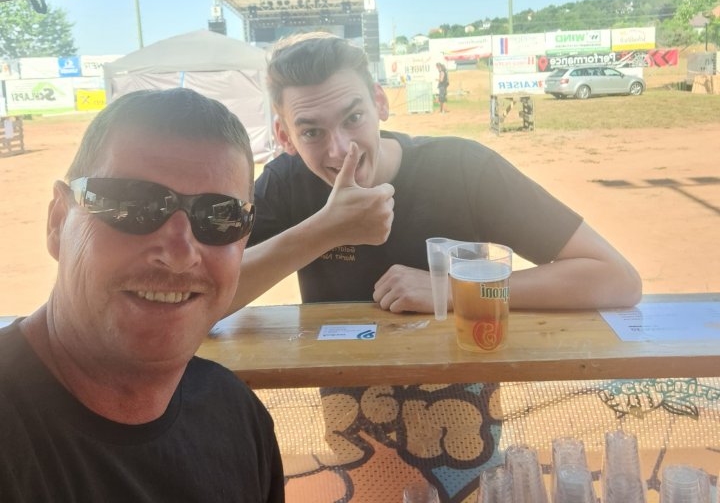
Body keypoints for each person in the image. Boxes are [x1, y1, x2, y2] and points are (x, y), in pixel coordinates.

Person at [229, 32, 641, 502]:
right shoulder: (285, 185)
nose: (340, 150)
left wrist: (455, 290)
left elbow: (615, 277)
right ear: (284, 136)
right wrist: (325, 230)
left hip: (465, 439)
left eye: (353, 118)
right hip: (355, 442)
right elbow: (209, 297)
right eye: (311, 132)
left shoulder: (460, 168)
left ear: (380, 102)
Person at [0, 88, 285, 502]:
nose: (180, 255)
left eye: (220, 217)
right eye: (132, 206)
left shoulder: (237, 416)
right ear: (59, 221)